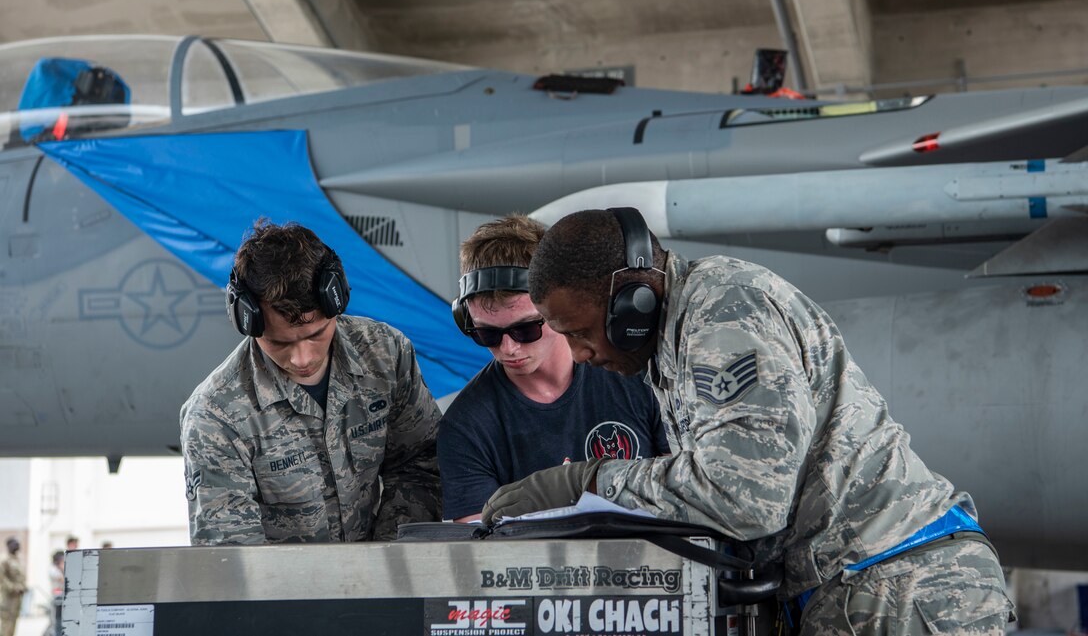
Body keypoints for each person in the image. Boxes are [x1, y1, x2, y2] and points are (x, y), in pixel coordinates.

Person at [484, 207, 1015, 635]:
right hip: (864, 589)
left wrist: (587, 482)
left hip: (897, 592)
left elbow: (744, 495)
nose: (577, 354)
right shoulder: (676, 335)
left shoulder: (725, 313)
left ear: (631, 302)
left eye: (581, 332)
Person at [180, 219, 442, 544]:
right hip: (283, 592)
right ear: (249, 321)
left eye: (316, 334)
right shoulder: (216, 416)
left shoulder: (386, 356)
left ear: (336, 303)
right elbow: (231, 554)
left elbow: (419, 465)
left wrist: (386, 568)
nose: (302, 359)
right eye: (279, 343)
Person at [439, 214, 669, 522]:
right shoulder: (466, 426)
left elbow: (686, 490)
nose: (508, 349)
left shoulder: (634, 373)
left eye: (525, 330)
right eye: (487, 335)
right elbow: (480, 549)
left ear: (555, 308)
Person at [0, 538, 26, 636]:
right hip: (7, 600)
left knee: (13, 626)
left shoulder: (18, 560)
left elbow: (21, 577)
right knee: (6, 627)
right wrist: (14, 588)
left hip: (17, 600)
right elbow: (2, 579)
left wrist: (23, 586)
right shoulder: (4, 560)